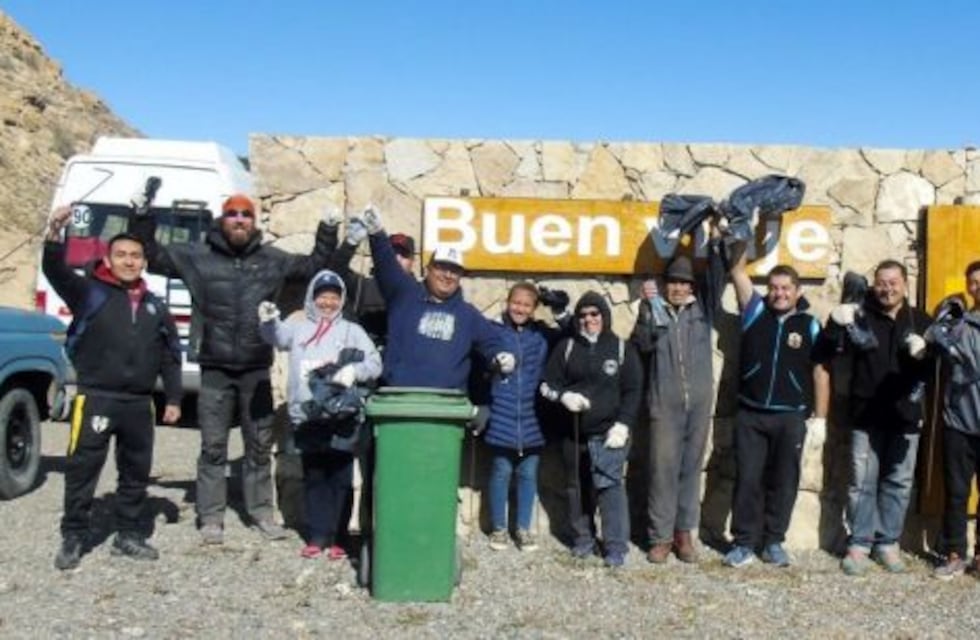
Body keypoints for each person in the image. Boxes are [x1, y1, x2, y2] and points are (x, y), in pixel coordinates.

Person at [129, 194, 353, 544]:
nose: (239, 220)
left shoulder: (272, 261)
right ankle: (211, 518)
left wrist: (328, 228)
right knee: (213, 447)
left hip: (255, 369)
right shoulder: (197, 257)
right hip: (215, 368)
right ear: (222, 219)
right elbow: (152, 255)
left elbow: (313, 267)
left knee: (259, 447)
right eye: (232, 214)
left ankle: (261, 513)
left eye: (245, 215)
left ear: (254, 221)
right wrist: (141, 215)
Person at [43, 205, 182, 570]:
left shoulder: (155, 305)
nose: (129, 261)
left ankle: (128, 535)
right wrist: (56, 234)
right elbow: (54, 270)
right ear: (109, 258)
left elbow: (171, 355)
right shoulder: (89, 291)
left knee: (136, 472)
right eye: (121, 254)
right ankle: (73, 535)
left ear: (143, 261)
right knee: (82, 469)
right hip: (96, 398)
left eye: (135, 255)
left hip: (139, 403)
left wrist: (174, 397)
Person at [259, 269, 382, 560]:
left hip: (341, 419)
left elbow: (375, 362)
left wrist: (355, 371)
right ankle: (317, 534)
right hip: (308, 417)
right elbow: (276, 337)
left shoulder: (352, 331)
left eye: (333, 297)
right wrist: (268, 320)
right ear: (312, 299)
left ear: (341, 300)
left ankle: (340, 538)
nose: (328, 303)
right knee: (314, 476)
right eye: (322, 297)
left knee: (340, 477)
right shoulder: (299, 327)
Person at [724, 242, 829, 568]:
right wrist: (740, 235)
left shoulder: (810, 324)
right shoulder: (754, 311)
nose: (779, 293)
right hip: (751, 414)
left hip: (791, 417)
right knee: (748, 480)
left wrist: (821, 419)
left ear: (797, 292)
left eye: (786, 288)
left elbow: (821, 372)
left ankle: (773, 542)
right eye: (774, 288)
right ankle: (743, 543)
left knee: (784, 482)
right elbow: (737, 271)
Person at [827, 260, 932, 576]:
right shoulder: (860, 314)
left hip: (905, 416)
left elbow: (936, 367)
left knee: (898, 483)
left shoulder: (921, 319)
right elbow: (831, 345)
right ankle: (859, 544)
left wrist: (927, 349)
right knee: (861, 484)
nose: (887, 289)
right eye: (881, 283)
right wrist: (835, 319)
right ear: (874, 285)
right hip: (865, 415)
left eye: (893, 282)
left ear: (905, 284)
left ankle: (887, 543)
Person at [630, 248, 724, 564]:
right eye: (673, 282)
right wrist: (646, 308)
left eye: (684, 283)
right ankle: (660, 537)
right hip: (664, 404)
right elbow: (641, 346)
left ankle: (684, 534)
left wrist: (715, 241)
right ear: (665, 284)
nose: (678, 288)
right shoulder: (654, 308)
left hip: (698, 405)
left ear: (692, 287)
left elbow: (717, 275)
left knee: (690, 470)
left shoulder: (704, 311)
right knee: (662, 470)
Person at [540, 291, 643, 567]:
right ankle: (583, 538)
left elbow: (633, 390)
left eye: (594, 314)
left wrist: (623, 425)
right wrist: (563, 397)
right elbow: (546, 384)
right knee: (577, 487)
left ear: (604, 316)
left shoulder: (621, 349)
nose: (589, 320)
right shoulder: (567, 347)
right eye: (583, 315)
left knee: (610, 488)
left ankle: (615, 546)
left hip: (609, 433)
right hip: (573, 432)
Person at [348, 207, 500, 389]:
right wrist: (377, 234)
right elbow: (387, 266)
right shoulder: (404, 294)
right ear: (428, 269)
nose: (448, 275)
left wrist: (501, 354)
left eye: (455, 271)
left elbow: (493, 341)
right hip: (399, 398)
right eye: (441, 267)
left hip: (448, 405)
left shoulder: (468, 314)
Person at [483, 282, 569, 552]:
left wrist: (560, 310)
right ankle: (498, 527)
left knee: (528, 474)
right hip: (502, 412)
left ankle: (522, 527)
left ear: (533, 309)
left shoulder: (541, 335)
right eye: (516, 303)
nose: (520, 308)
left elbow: (571, 334)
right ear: (508, 302)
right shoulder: (494, 331)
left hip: (533, 417)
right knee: (501, 471)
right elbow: (480, 355)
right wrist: (492, 363)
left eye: (526, 305)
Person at [926, 262, 980, 580]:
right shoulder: (958, 322)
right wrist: (945, 314)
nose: (977, 287)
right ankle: (955, 553)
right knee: (957, 492)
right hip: (959, 420)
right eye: (973, 282)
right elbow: (933, 337)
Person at [342, 232, 416, 348]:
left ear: (412, 260)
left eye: (404, 254)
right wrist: (350, 244)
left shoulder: (421, 292)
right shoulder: (363, 286)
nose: (397, 258)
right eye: (392, 253)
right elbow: (336, 270)